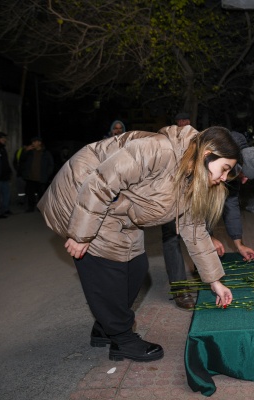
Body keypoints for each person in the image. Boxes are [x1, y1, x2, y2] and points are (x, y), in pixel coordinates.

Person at [37, 125, 240, 363]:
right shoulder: (158, 150)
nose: (224, 178)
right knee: (108, 268)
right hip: (82, 194)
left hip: (119, 209)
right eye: (224, 169)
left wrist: (215, 281)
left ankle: (105, 327)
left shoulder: (190, 177)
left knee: (137, 267)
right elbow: (101, 182)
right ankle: (122, 339)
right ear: (207, 155)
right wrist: (82, 234)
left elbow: (194, 231)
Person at [164, 120, 254, 309]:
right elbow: (198, 203)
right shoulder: (221, 154)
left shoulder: (227, 168)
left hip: (188, 202)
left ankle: (202, 268)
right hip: (169, 192)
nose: (242, 181)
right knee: (171, 234)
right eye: (243, 177)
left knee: (192, 231)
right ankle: (179, 289)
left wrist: (238, 243)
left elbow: (228, 205)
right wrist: (209, 237)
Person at [20, 137, 54, 212]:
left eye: (34, 142)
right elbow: (22, 159)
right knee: (30, 194)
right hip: (30, 177)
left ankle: (40, 208)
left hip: (41, 177)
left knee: (41, 194)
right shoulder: (30, 152)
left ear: (39, 143)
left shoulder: (46, 153)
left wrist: (47, 174)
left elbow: (51, 164)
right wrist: (25, 151)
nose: (33, 143)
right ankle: (31, 207)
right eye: (32, 142)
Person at [0, 133, 13, 215]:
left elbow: (5, 162)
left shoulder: (3, 149)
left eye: (5, 138)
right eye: (3, 138)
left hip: (5, 176)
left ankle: (5, 209)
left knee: (6, 193)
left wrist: (9, 171)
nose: (5, 140)